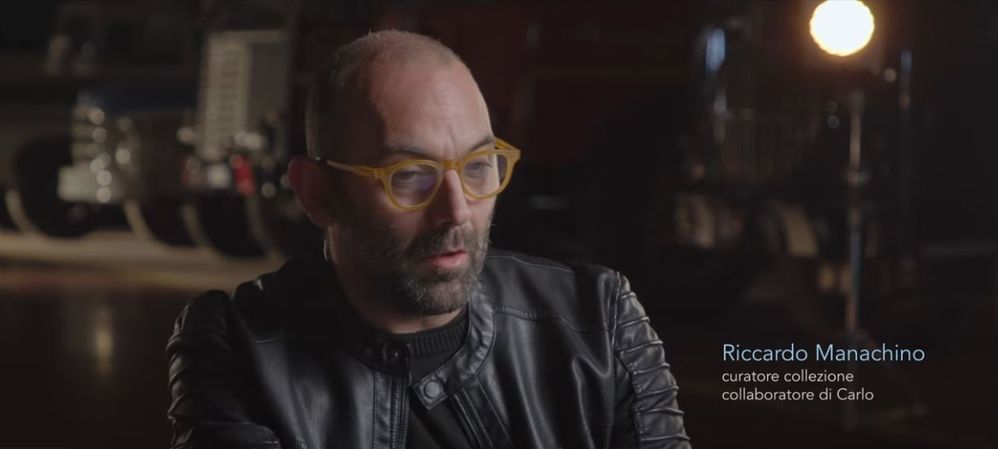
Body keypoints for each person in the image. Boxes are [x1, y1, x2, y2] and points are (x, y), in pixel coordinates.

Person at [167, 30, 691, 449]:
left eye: (479, 166)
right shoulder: (237, 348)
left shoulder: (599, 322)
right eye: (411, 176)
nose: (457, 211)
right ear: (317, 194)